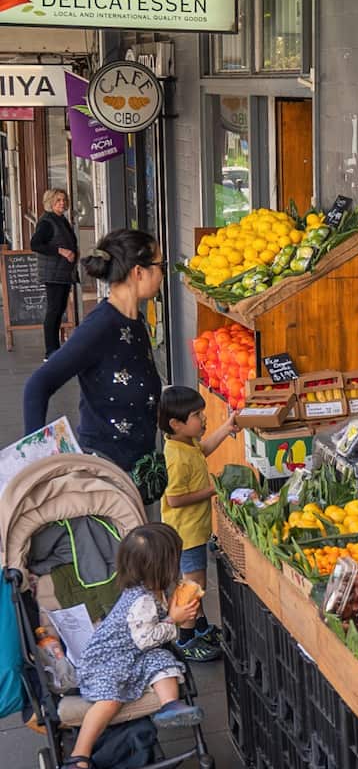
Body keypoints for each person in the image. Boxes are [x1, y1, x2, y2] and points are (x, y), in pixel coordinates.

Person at [23, 229, 165, 501]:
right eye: (159, 265)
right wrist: (35, 460)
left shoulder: (135, 322)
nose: (162, 273)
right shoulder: (100, 327)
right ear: (138, 272)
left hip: (134, 475)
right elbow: (37, 385)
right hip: (104, 482)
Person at [60, 522, 204, 769]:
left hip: (136, 655)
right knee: (111, 698)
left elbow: (149, 642)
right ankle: (79, 754)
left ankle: (170, 705)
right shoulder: (141, 601)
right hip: (106, 661)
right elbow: (148, 637)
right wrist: (173, 620)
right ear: (161, 567)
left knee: (163, 661)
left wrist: (177, 616)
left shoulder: (155, 593)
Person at [158, 386, 237, 662]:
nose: (203, 419)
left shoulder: (186, 442)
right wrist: (213, 489)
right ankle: (186, 639)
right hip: (185, 534)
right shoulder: (176, 458)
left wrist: (227, 427)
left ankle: (200, 628)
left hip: (195, 530)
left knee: (197, 582)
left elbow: (204, 449)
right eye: (196, 415)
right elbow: (175, 499)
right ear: (176, 424)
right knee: (192, 584)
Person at [30, 187, 78, 361]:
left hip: (63, 273)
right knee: (54, 310)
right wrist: (61, 251)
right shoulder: (47, 222)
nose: (62, 203)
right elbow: (35, 244)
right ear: (50, 202)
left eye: (64, 200)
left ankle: (55, 348)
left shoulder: (61, 220)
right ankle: (50, 351)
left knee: (59, 310)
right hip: (53, 273)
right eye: (58, 200)